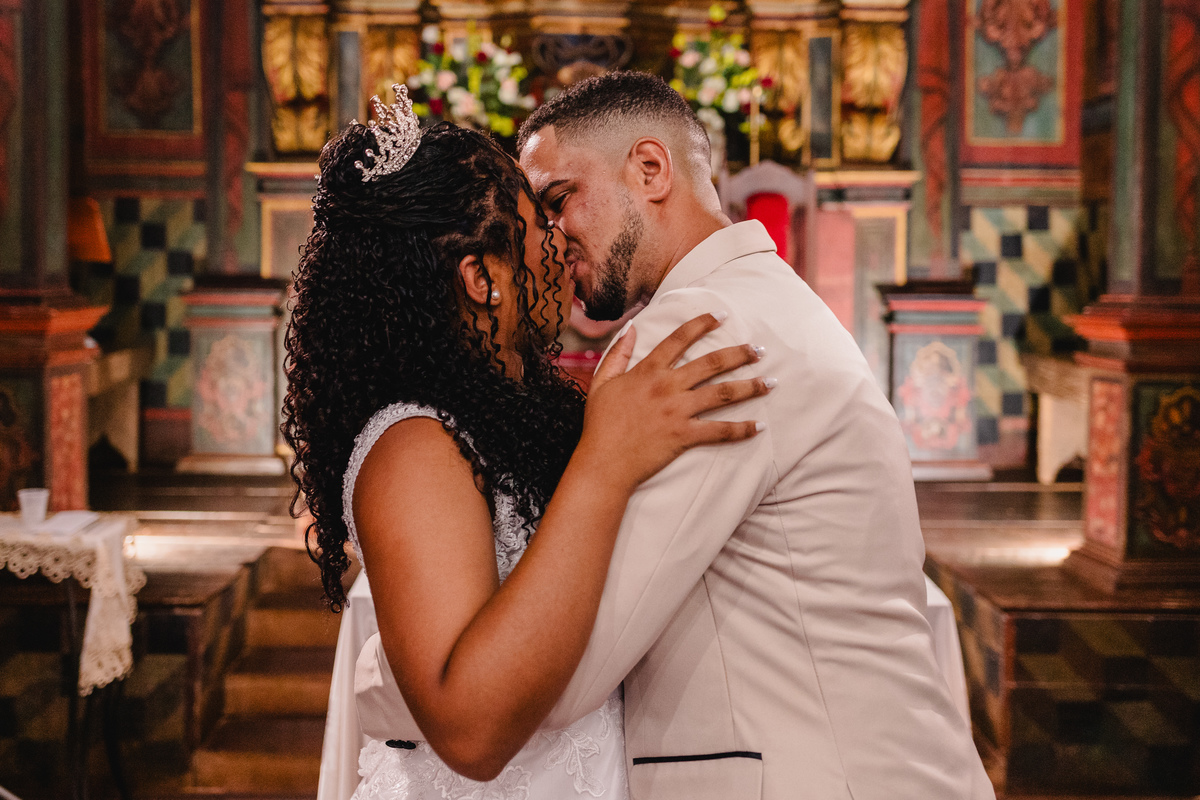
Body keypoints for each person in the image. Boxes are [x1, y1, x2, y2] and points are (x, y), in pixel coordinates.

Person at [357, 72, 995, 800]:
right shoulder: (759, 302)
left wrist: (393, 672)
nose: (550, 238)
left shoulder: (698, 335)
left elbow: (567, 677)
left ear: (650, 170)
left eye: (560, 199)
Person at [282, 85, 772, 799]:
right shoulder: (412, 447)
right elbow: (470, 732)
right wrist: (605, 465)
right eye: (537, 222)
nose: (560, 238)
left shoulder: (526, 410)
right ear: (482, 278)